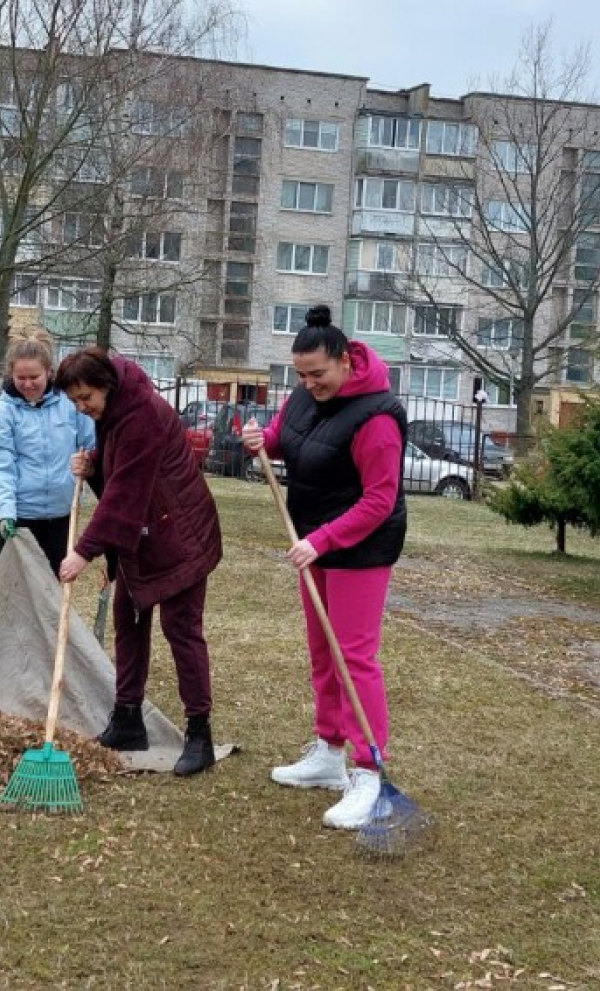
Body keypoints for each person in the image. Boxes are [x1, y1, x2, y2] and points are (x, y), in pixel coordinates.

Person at [241, 304, 407, 831]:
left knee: (354, 656)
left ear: (344, 361)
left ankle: (367, 772)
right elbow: (286, 439)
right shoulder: (304, 398)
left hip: (360, 546)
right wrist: (258, 440)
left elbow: (380, 500)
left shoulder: (376, 417)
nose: (310, 384)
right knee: (322, 651)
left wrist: (324, 540)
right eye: (302, 375)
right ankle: (328, 754)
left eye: (319, 374)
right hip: (312, 539)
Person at [54, 348, 222, 777]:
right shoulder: (113, 412)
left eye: (85, 397)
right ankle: (128, 719)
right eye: (74, 401)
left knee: (181, 629)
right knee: (128, 620)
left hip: (179, 533)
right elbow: (120, 477)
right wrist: (92, 469)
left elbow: (125, 493)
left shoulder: (141, 412)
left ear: (107, 385)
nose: (82, 407)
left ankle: (199, 733)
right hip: (142, 535)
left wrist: (83, 552)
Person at [0, 327, 97, 572]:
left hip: (62, 515)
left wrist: (90, 464)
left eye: (34, 376)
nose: (27, 384)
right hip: (19, 518)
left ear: (49, 371)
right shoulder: (1, 414)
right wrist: (4, 513)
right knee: (16, 591)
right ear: (11, 374)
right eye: (20, 377)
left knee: (52, 592)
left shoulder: (71, 405)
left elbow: (92, 444)